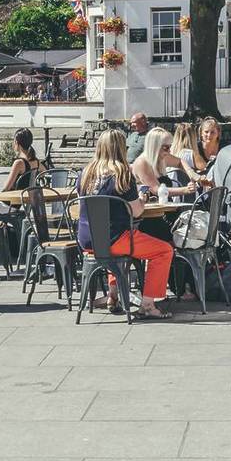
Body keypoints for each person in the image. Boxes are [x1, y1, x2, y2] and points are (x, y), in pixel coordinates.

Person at [77, 129, 173, 320]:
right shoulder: (122, 174)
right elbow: (136, 211)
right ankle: (147, 304)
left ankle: (113, 295)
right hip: (116, 238)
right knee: (164, 250)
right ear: (121, 148)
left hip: (89, 239)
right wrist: (142, 198)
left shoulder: (85, 173)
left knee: (115, 250)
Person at [132, 127, 197, 201]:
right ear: (155, 147)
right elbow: (156, 190)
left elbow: (180, 162)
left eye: (170, 146)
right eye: (166, 147)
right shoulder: (142, 163)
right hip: (150, 209)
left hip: (164, 206)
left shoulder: (162, 157)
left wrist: (192, 174)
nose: (170, 151)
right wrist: (186, 190)